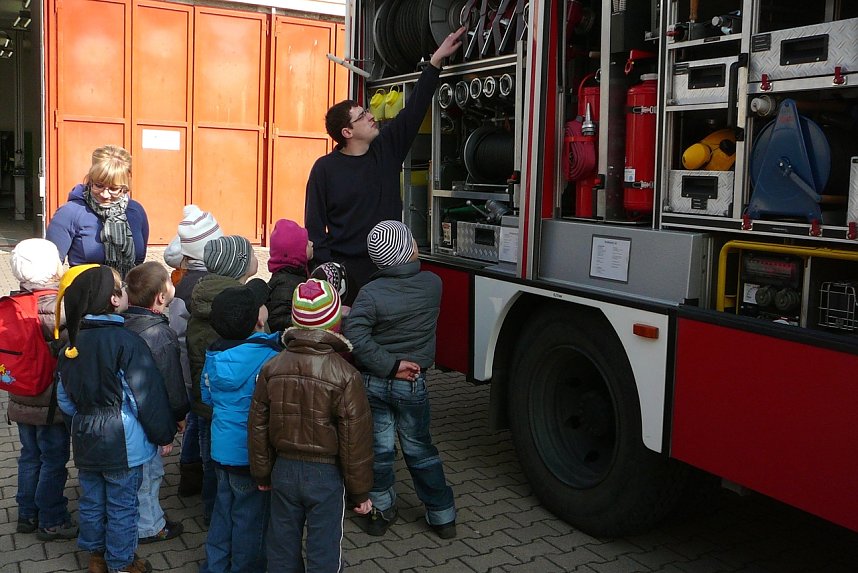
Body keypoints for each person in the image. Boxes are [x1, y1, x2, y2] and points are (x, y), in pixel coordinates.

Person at [304, 27, 465, 305]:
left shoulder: (386, 149)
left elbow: (413, 111)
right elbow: (315, 229)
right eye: (362, 116)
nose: (370, 116)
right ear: (347, 133)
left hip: (389, 272)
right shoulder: (324, 169)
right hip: (347, 276)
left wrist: (435, 62)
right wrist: (329, 274)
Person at [55, 265, 176, 573]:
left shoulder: (70, 345)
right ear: (112, 300)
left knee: (93, 501)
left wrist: (87, 416)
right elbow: (145, 396)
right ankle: (121, 563)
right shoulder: (127, 342)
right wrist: (163, 434)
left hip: (85, 439)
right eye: (120, 290)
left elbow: (65, 400)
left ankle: (96, 557)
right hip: (123, 443)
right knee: (123, 505)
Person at [249, 279, 374, 572]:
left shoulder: (271, 367)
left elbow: (258, 425)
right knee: (324, 547)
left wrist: (262, 472)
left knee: (281, 545)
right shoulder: (346, 375)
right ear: (334, 324)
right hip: (325, 474)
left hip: (283, 469)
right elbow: (355, 440)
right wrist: (360, 492)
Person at [342, 220, 456, 539]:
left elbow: (355, 336)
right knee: (420, 447)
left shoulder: (370, 293)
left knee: (378, 449)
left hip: (375, 381)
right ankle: (442, 514)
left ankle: (381, 510)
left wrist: (390, 365)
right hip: (413, 383)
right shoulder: (434, 283)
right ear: (411, 250)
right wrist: (401, 368)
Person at [200, 279, 281, 573]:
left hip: (221, 451)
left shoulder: (214, 356)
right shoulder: (269, 358)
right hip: (251, 454)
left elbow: (206, 396)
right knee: (250, 519)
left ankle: (215, 565)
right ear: (257, 322)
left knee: (223, 513)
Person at [6, 239, 77, 541]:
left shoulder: (12, 305)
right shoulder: (57, 308)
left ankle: (26, 513)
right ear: (55, 268)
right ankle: (52, 517)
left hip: (19, 397)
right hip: (50, 404)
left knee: (29, 455)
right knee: (53, 459)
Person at [186, 234, 259, 524]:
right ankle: (230, 513)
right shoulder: (240, 307)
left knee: (210, 458)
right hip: (237, 406)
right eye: (252, 254)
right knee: (231, 460)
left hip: (205, 403)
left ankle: (211, 511)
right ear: (240, 264)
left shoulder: (200, 295)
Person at [122, 261, 190, 544]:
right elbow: (172, 380)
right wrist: (179, 413)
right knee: (150, 474)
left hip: (127, 414)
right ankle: (150, 526)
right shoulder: (159, 333)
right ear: (161, 297)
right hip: (153, 414)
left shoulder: (124, 321)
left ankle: (131, 518)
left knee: (135, 473)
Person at [163, 205, 224, 498]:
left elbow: (175, 331)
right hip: (199, 370)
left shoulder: (181, 284)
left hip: (189, 369)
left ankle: (189, 470)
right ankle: (196, 472)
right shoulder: (204, 286)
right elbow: (178, 332)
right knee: (201, 423)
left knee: (195, 419)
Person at [46, 145, 148, 277]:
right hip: (86, 294)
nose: (105, 194)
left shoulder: (136, 211)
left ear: (124, 187)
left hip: (128, 294)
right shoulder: (69, 213)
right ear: (90, 180)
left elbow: (139, 262)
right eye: (99, 185)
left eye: (113, 188)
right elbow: (49, 267)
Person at [265, 218, 312, 332]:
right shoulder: (286, 283)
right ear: (296, 253)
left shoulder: (294, 274)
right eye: (306, 243)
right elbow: (276, 320)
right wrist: (307, 321)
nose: (312, 243)